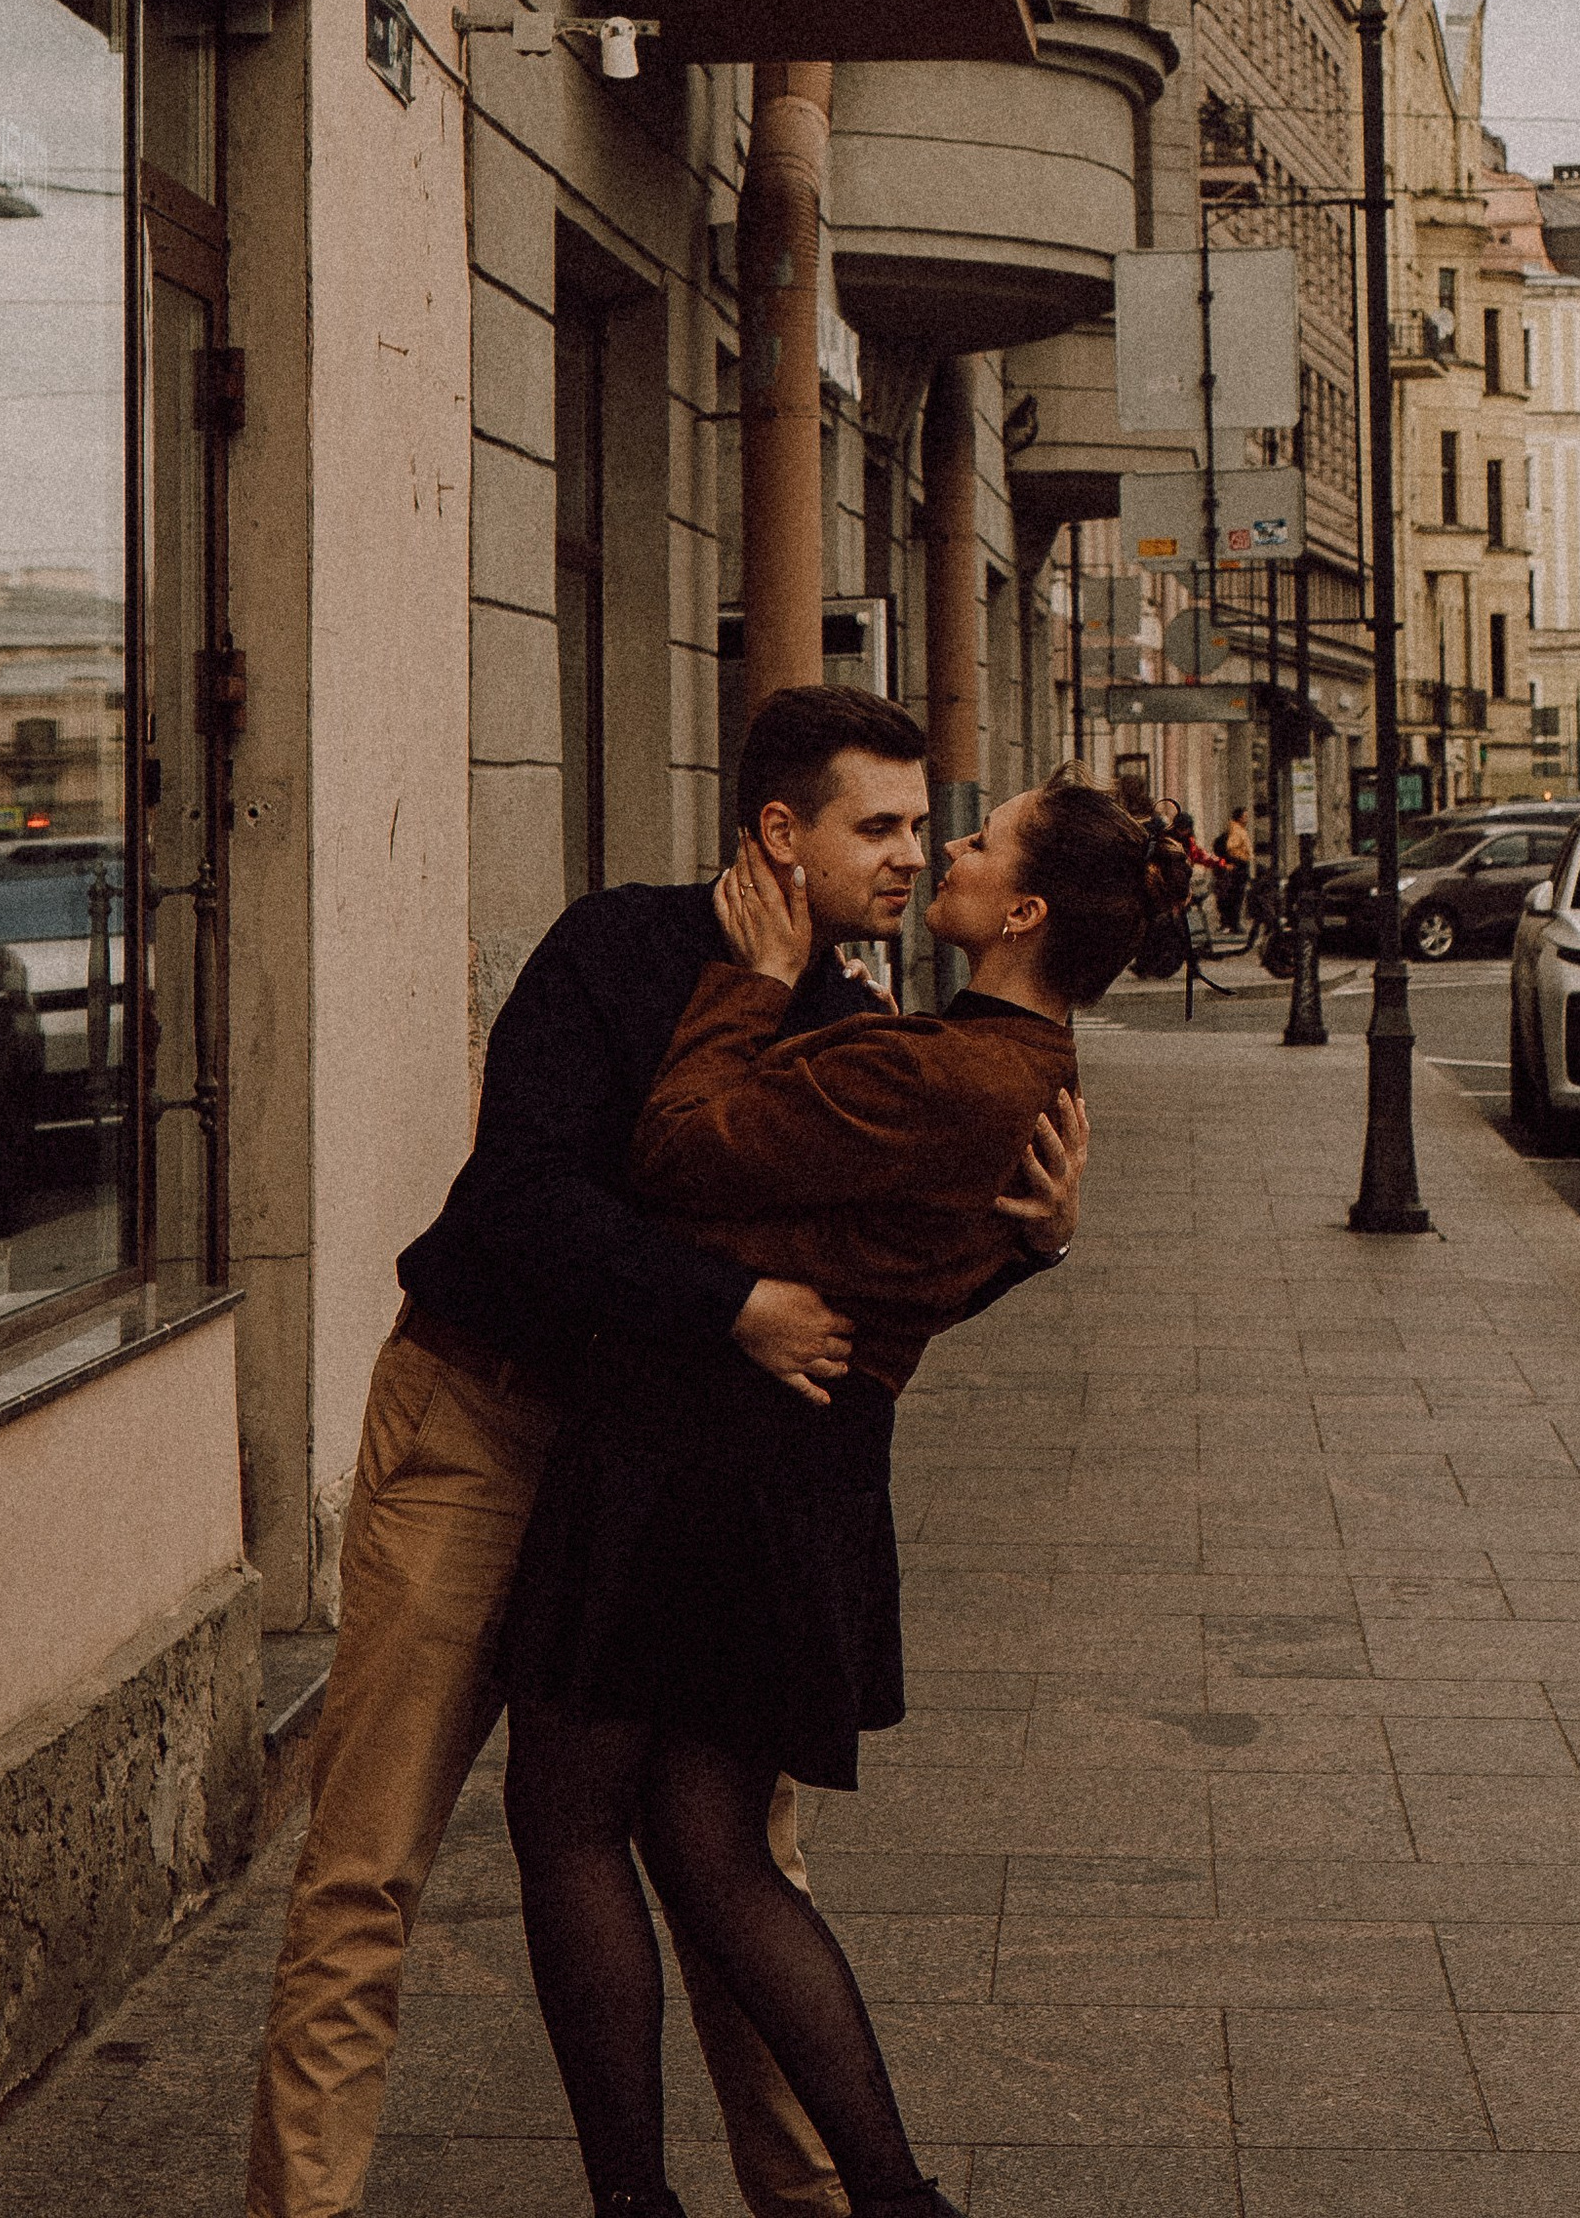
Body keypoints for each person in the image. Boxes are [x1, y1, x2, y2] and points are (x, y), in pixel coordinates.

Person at [241, 687, 1087, 2218]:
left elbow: (861, 1305)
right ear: (782, 831)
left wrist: (1028, 1244)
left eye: (924, 827)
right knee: (366, 1869)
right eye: (879, 826)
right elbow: (521, 1198)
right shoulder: (614, 948)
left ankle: (816, 2198)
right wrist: (733, 1305)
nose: (909, 857)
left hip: (663, 1473)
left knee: (733, 1860)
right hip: (484, 1422)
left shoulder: (851, 1021)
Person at [497, 779, 1186, 2218]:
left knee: (570, 1822)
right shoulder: (1024, 1070)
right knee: (705, 1842)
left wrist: (751, 986)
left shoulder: (940, 1070)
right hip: (791, 1475)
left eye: (979, 840)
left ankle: (649, 2204)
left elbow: (675, 1146)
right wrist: (1036, 1251)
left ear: (1028, 911)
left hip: (685, 1459)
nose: (948, 850)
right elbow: (918, 1269)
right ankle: (889, 2197)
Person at [1213, 806, 1253, 937]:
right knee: (1234, 896)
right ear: (1240, 817)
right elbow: (1231, 847)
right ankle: (1232, 924)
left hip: (1238, 865)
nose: (1247, 819)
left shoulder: (1238, 830)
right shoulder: (1236, 831)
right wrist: (1232, 861)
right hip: (1237, 866)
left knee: (1235, 896)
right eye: (1245, 816)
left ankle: (1232, 924)